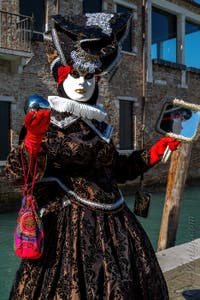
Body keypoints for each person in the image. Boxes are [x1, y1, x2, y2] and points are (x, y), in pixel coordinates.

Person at [5, 13, 180, 300]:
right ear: (61, 76)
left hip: (115, 221)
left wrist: (153, 152)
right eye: (74, 74)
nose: (82, 83)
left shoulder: (100, 126)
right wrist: (34, 138)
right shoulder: (47, 120)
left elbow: (116, 169)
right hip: (66, 227)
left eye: (89, 76)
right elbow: (18, 174)